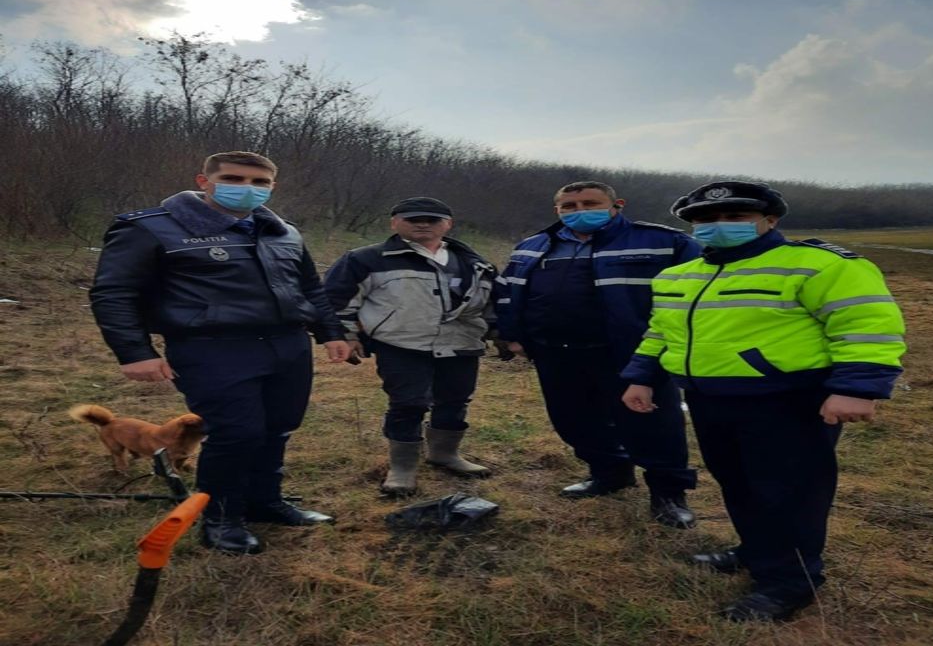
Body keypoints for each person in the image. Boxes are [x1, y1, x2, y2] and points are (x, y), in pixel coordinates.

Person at [621, 180, 906, 621]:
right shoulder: (678, 275)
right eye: (706, 220)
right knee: (739, 483)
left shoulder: (816, 264)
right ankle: (757, 552)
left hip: (787, 401)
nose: (719, 226)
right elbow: (661, 332)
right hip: (709, 399)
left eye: (735, 217)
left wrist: (857, 388)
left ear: (770, 220)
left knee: (789, 493)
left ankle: (791, 582)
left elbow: (866, 322)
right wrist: (640, 377)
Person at [89, 151, 351, 555]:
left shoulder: (283, 231)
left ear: (272, 187)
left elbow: (308, 287)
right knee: (236, 433)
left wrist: (330, 331)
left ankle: (264, 502)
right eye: (234, 178)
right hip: (212, 348)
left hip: (287, 345)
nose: (247, 188)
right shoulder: (152, 228)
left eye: (259, 182)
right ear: (204, 180)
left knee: (278, 427)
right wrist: (133, 351)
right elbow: (114, 292)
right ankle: (221, 519)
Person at [494, 181, 701, 528]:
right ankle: (610, 473)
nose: (579, 212)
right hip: (555, 352)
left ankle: (668, 493)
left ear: (616, 204)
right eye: (569, 206)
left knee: (652, 425)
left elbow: (694, 298)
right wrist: (512, 337)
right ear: (557, 210)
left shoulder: (664, 242)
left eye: (590, 203)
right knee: (574, 420)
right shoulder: (533, 246)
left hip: (631, 354)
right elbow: (509, 292)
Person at [323, 197, 496, 496]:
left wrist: (502, 333)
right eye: (412, 218)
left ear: (448, 224)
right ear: (394, 223)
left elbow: (493, 305)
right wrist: (347, 336)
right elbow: (336, 301)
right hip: (401, 344)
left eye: (432, 219)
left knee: (455, 400)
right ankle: (402, 468)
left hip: (461, 344)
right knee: (408, 403)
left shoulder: (475, 262)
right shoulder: (365, 258)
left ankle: (445, 454)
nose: (422, 223)